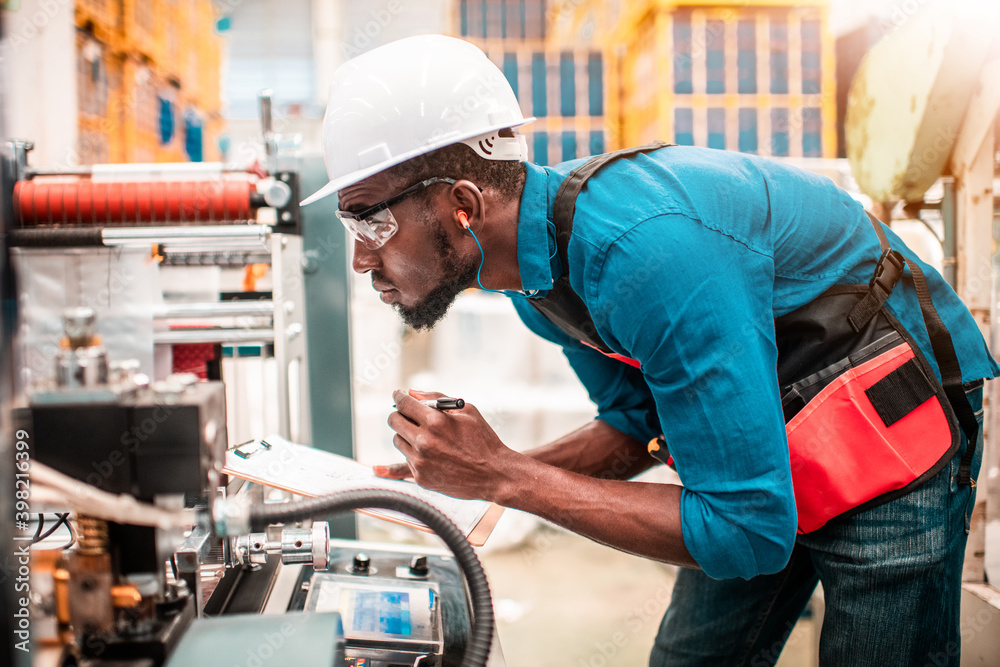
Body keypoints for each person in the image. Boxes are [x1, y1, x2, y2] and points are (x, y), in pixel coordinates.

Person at [302, 35, 997, 666]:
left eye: (375, 219)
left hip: (889, 422)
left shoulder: (644, 252)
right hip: (766, 434)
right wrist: (474, 477)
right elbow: (636, 426)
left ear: (462, 204)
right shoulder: (530, 276)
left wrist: (507, 476)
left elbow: (745, 530)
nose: (362, 258)